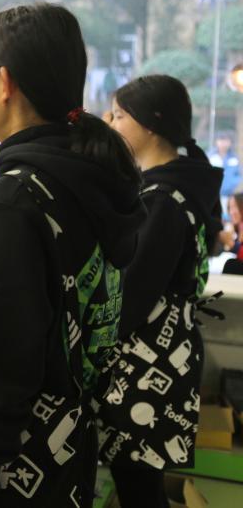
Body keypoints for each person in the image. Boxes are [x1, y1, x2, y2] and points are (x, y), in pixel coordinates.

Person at [0, 3, 145, 507]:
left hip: (3, 484)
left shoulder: (13, 206)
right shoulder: (83, 182)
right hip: (62, 465)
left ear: (4, 82)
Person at [99, 75, 222, 507]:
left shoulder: (163, 198)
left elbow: (131, 294)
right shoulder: (177, 186)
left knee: (138, 488)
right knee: (139, 484)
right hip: (163, 356)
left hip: (148, 364)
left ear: (150, 124)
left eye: (118, 115)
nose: (109, 123)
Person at [208, 132, 240, 201]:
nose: (223, 143)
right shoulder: (210, 156)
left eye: (226, 140)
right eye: (221, 140)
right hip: (212, 194)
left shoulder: (235, 158)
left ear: (230, 142)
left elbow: (238, 175)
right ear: (216, 141)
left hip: (230, 195)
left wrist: (232, 186)